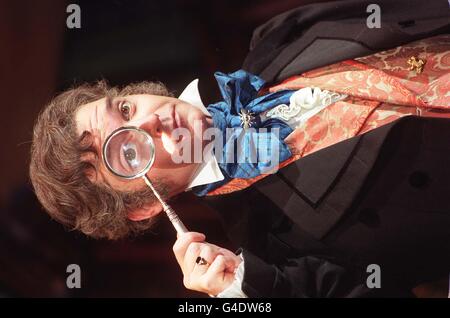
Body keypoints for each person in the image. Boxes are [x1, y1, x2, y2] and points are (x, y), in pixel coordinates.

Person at [29, 1, 450, 297]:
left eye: (124, 108)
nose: (149, 121)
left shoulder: (275, 40)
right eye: (128, 153)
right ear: (143, 207)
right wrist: (240, 291)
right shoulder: (277, 253)